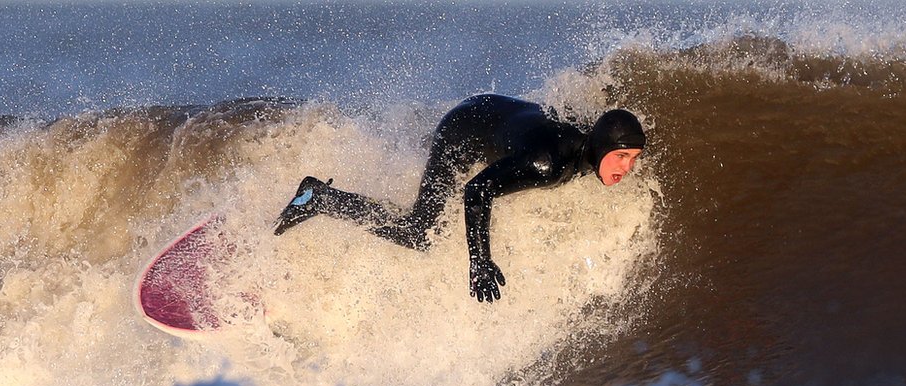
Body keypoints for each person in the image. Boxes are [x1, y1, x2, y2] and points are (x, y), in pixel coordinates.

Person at [273, 93, 646, 303]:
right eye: (622, 156)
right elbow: (477, 190)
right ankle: (319, 197)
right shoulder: (546, 165)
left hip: (495, 112)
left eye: (633, 159)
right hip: (461, 133)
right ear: (599, 145)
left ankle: (320, 197)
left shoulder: (587, 147)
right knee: (418, 231)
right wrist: (480, 262)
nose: (626, 168)